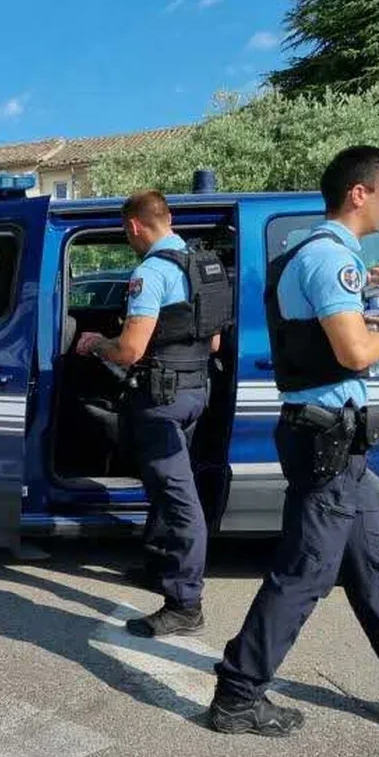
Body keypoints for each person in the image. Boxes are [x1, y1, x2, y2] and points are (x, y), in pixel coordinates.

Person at [210, 146, 379, 736]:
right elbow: (353, 353)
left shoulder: (324, 257)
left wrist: (374, 294)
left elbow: (330, 336)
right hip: (326, 440)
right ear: (360, 193)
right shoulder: (328, 261)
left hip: (334, 442)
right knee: (305, 572)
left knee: (371, 568)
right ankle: (238, 693)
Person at [76, 191, 224, 638]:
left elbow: (129, 350)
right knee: (166, 486)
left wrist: (94, 344)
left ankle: (185, 603)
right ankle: (160, 567)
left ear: (135, 227)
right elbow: (213, 343)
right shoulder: (202, 267)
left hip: (161, 400)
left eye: (127, 233)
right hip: (196, 391)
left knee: (180, 500)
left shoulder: (151, 273)